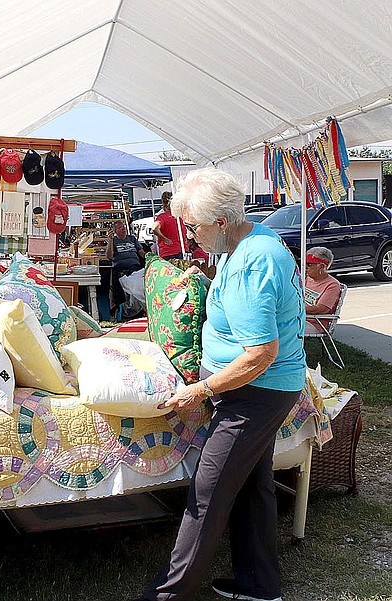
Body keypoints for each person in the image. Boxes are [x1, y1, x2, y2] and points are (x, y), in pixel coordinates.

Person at [131, 168, 306, 601]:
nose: (191, 236)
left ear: (221, 221)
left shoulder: (251, 260)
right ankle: (259, 586)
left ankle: (170, 594)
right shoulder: (245, 243)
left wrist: (202, 389)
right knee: (251, 485)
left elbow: (260, 352)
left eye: (194, 227)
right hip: (256, 388)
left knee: (208, 494)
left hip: (255, 392)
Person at [105, 220, 145, 312]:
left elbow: (142, 253)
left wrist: (150, 256)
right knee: (135, 280)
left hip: (136, 267)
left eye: (124, 226)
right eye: (120, 227)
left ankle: (140, 304)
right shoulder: (114, 241)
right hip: (122, 269)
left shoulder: (132, 239)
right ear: (115, 231)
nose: (123, 229)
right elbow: (109, 256)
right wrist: (110, 240)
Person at [303, 246, 341, 334]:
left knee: (283, 329)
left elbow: (321, 309)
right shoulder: (307, 278)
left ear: (321, 267)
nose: (305, 267)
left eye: (309, 264)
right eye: (304, 263)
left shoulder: (332, 285)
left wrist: (295, 309)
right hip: (300, 318)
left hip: (315, 323)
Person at [152, 191, 187, 259]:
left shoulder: (162, 217)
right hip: (183, 250)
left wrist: (164, 239)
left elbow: (154, 228)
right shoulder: (181, 216)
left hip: (168, 253)